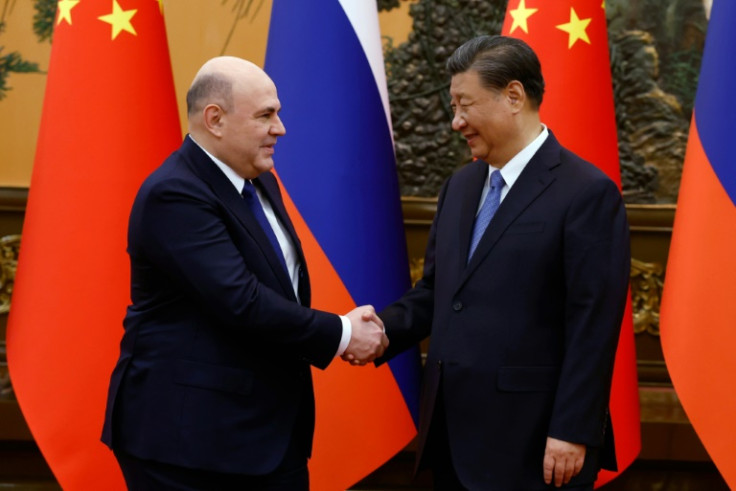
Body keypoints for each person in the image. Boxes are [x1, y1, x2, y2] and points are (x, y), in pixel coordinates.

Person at [101, 56, 388, 490]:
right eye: (265, 115)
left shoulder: (258, 180)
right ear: (214, 119)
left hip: (266, 434)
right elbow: (242, 300)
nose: (281, 128)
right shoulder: (175, 193)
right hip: (191, 445)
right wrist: (344, 334)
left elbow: (278, 288)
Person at [372, 35, 630, 490]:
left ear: (513, 96)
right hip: (450, 438)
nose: (456, 122)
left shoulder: (586, 192)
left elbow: (594, 322)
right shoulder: (459, 187)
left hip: (534, 446)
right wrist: (373, 334)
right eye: (453, 107)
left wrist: (571, 429)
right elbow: (438, 293)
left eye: (464, 105)